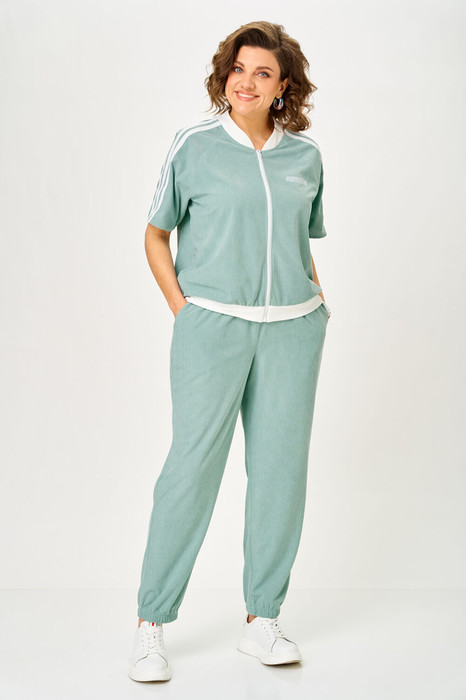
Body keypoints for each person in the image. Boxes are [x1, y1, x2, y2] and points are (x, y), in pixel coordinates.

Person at [128, 20, 331, 682]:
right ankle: (151, 624)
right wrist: (184, 309)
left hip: (292, 330)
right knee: (190, 470)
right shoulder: (194, 145)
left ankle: (262, 619)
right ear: (225, 75)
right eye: (238, 68)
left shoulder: (305, 156)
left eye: (262, 72)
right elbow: (155, 234)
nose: (246, 81)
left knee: (280, 474)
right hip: (212, 327)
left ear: (283, 87)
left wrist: (317, 304)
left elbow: (301, 243)